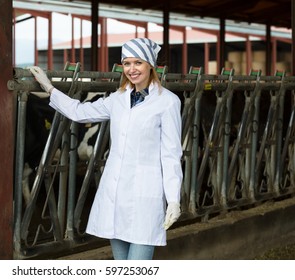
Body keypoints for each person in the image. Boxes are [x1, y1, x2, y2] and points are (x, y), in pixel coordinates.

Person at [28, 38, 183, 260]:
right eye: (127, 63)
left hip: (145, 195)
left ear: (150, 65)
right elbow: (80, 112)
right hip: (115, 193)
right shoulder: (118, 98)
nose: (132, 69)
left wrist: (174, 199)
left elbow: (170, 154)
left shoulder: (168, 102)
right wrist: (49, 88)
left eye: (137, 63)